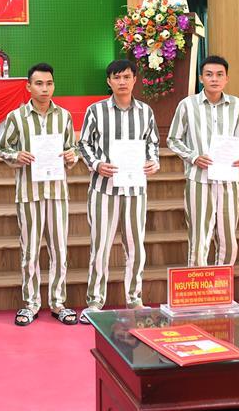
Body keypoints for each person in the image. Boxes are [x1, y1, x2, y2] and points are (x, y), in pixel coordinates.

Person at [77, 60, 159, 323]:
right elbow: (84, 143)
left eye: (126, 77)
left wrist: (153, 162)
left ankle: (134, 298)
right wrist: (97, 164)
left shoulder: (146, 112)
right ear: (109, 81)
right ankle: (94, 301)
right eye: (116, 77)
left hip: (135, 189)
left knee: (136, 246)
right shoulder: (96, 110)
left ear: (135, 79)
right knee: (100, 246)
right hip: (104, 189)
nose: (122, 82)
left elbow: (153, 144)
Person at [0, 62, 80, 327]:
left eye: (49, 83)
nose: (45, 89)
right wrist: (16, 156)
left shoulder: (64, 116)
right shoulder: (16, 117)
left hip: (57, 192)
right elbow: (3, 150)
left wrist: (71, 156)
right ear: (28, 86)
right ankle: (31, 303)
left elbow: (73, 148)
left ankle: (58, 303)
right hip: (29, 193)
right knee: (30, 251)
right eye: (39, 84)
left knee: (59, 249)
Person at [166, 55, 239, 267]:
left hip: (228, 180)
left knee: (228, 237)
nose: (214, 79)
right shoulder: (187, 105)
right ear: (201, 78)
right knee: (199, 235)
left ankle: (223, 286)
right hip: (199, 179)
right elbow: (173, 139)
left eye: (219, 75)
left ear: (227, 78)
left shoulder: (237, 105)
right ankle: (199, 287)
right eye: (209, 75)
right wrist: (193, 157)